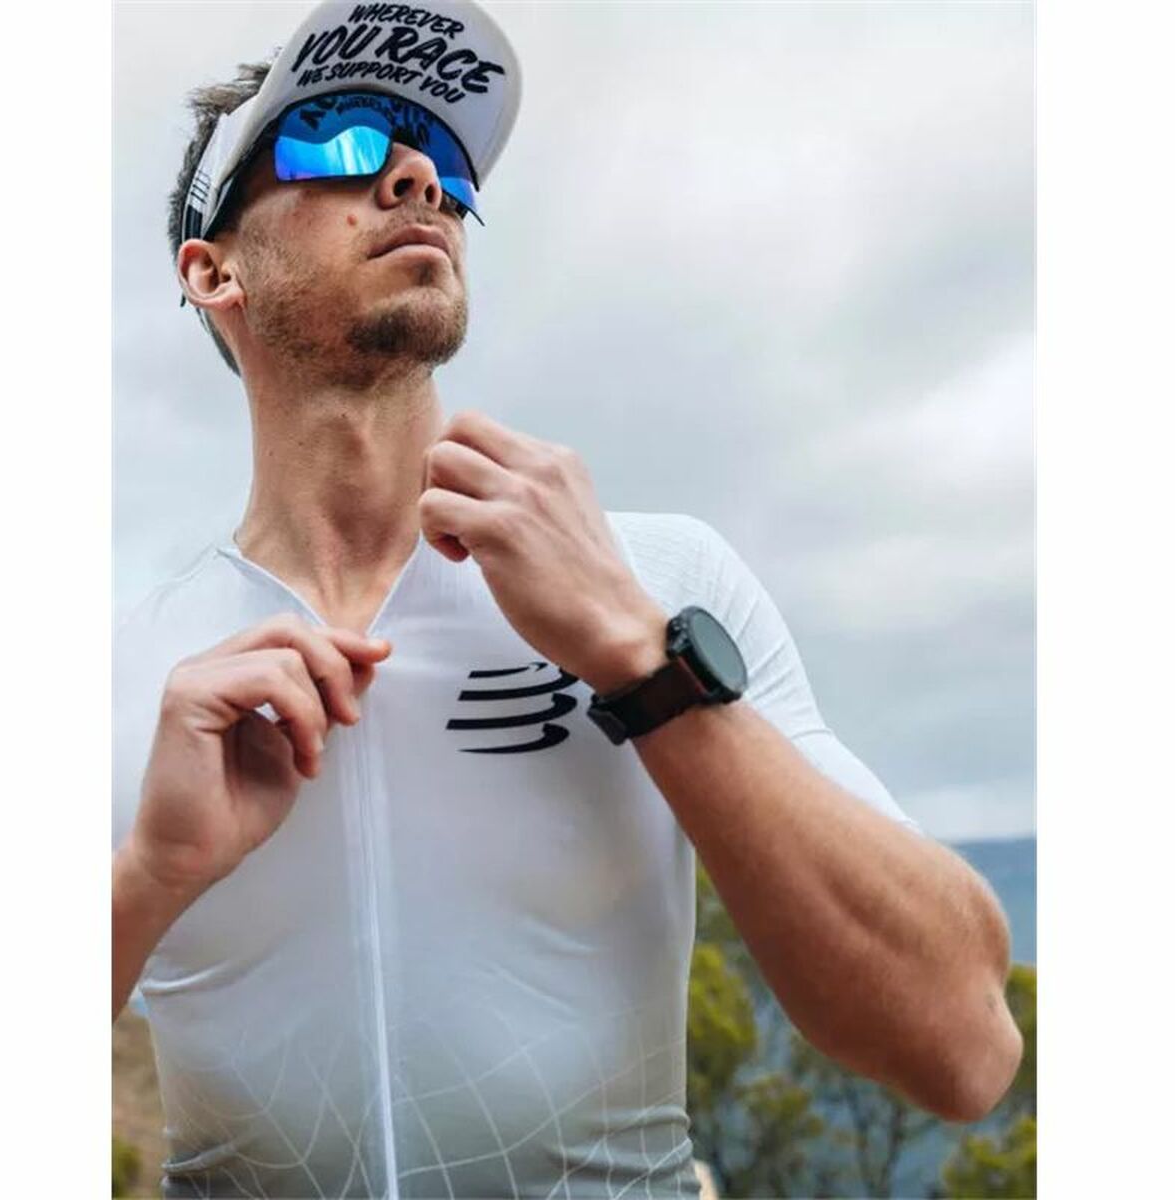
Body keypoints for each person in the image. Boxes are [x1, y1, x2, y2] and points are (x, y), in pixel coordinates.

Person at [112, 2, 1023, 1196]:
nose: (415, 177)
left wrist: (646, 663)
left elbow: (965, 1049)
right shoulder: (123, 669)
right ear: (211, 268)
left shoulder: (662, 580)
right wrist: (150, 876)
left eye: (444, 165)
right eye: (338, 138)